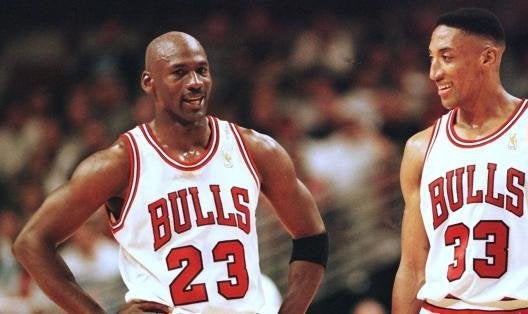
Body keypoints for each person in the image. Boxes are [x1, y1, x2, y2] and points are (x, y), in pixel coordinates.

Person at [12, 31, 328, 314]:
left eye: (201, 70)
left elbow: (311, 238)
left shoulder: (257, 150)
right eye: (179, 72)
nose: (195, 82)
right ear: (149, 82)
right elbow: (31, 242)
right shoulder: (120, 163)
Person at [392, 8, 528, 314]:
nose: (434, 72)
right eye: (431, 57)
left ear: (487, 58)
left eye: (446, 57)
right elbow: (412, 269)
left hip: (524, 307)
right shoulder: (420, 148)